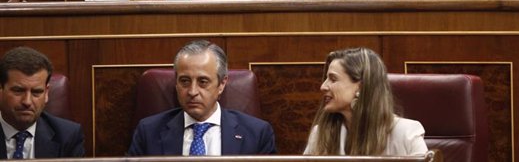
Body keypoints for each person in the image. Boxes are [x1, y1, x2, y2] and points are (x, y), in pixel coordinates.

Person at [128, 40, 276, 155]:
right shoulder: (148, 132)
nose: (192, 91)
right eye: (185, 81)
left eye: (203, 82)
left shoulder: (257, 133)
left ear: (222, 84)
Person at [304, 47, 427, 155]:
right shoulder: (320, 134)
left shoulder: (406, 133)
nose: (323, 87)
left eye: (333, 79)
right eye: (326, 79)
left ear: (361, 87)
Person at [0, 46, 85, 158]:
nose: (27, 101)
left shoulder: (68, 136)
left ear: (46, 93)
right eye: (18, 91)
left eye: (36, 92)